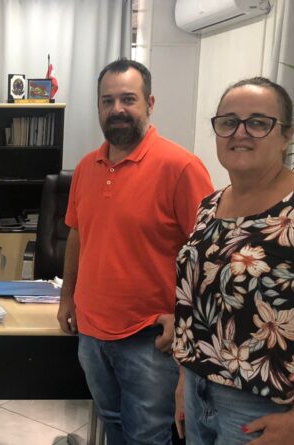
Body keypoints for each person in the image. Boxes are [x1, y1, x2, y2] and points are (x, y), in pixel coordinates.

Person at [56, 58, 214, 444]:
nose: (117, 109)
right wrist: (68, 298)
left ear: (150, 103)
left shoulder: (181, 167)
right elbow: (78, 236)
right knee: (112, 424)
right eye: (107, 101)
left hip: (148, 337)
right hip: (92, 333)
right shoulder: (86, 168)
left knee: (147, 436)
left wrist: (183, 316)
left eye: (128, 99)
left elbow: (209, 255)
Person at [173, 77, 294, 445]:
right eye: (228, 122)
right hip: (200, 393)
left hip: (268, 409)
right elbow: (195, 306)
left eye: (258, 123)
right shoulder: (210, 206)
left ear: (287, 135)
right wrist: (185, 382)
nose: (239, 133)